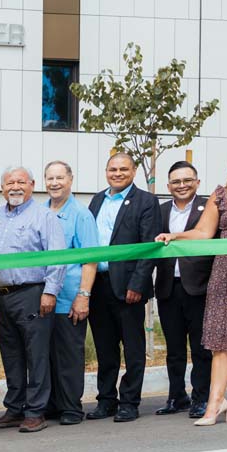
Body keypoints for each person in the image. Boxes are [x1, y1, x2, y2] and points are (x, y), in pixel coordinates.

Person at [157, 140, 227, 426]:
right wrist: (175, 236)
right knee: (223, 341)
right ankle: (216, 401)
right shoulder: (223, 194)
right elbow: (204, 232)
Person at [0, 167, 66, 434]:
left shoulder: (44, 216)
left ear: (31, 185)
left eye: (21, 182)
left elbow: (57, 257)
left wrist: (50, 292)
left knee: (36, 355)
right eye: (9, 183)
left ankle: (35, 411)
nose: (15, 187)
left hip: (32, 293)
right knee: (11, 354)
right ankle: (15, 408)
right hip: (1, 295)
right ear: (2, 187)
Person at [86, 152, 162, 422]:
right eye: (112, 169)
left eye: (123, 169)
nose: (117, 174)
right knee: (105, 349)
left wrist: (138, 283)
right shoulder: (96, 200)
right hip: (98, 286)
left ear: (134, 171)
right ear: (106, 171)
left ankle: (129, 402)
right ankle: (106, 400)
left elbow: (149, 246)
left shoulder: (146, 201)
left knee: (132, 348)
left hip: (129, 287)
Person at [154, 161, 213, 419]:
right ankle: (177, 396)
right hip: (168, 287)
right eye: (176, 182)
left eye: (187, 180)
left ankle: (201, 398)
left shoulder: (208, 207)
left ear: (197, 182)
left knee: (201, 349)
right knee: (174, 349)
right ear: (168, 186)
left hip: (199, 288)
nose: (182, 185)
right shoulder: (160, 210)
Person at [43, 160, 99, 426]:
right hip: (44, 297)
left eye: (59, 178)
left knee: (68, 354)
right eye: (50, 178)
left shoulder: (81, 214)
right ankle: (52, 404)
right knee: (48, 354)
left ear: (70, 180)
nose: (54, 183)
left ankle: (71, 408)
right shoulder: (41, 211)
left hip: (69, 297)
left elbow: (90, 260)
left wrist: (83, 296)